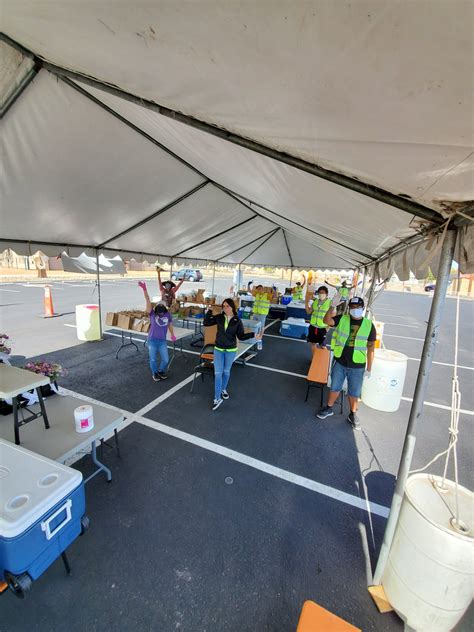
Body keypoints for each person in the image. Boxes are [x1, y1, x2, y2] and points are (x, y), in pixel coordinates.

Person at [316, 296, 376, 430]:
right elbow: (326, 320)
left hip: (358, 365)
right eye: (353, 308)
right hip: (340, 361)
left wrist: (370, 368)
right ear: (349, 309)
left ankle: (353, 414)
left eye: (358, 307)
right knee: (335, 386)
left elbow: (371, 347)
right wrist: (332, 306)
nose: (355, 310)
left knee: (354, 391)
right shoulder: (342, 319)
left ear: (362, 308)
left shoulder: (369, 325)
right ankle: (329, 408)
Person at [204, 298, 262, 410]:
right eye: (224, 306)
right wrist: (209, 311)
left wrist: (253, 335)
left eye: (227, 306)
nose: (225, 308)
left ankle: (223, 389)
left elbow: (241, 336)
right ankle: (217, 398)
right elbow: (206, 322)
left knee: (226, 372)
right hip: (218, 350)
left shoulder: (237, 320)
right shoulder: (219, 317)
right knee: (217, 374)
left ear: (232, 307)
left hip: (230, 350)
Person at [139, 281, 176, 381]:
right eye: (158, 311)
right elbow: (147, 299)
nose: (160, 314)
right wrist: (144, 289)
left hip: (162, 341)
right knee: (153, 359)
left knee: (166, 359)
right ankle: (154, 373)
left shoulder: (167, 314)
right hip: (152, 340)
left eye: (162, 312)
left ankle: (160, 371)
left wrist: (172, 335)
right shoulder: (152, 314)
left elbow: (170, 325)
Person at [306, 285, 331, 351]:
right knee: (313, 344)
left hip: (323, 328)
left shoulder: (330, 303)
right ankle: (314, 359)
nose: (321, 294)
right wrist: (306, 302)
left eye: (323, 293)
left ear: (327, 294)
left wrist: (328, 326)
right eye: (320, 293)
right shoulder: (315, 302)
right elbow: (308, 312)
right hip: (313, 326)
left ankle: (324, 360)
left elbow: (332, 316)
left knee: (322, 345)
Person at [252, 284, 271, 349]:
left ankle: (260, 340)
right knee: (254, 325)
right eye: (258, 289)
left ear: (263, 289)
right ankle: (254, 338)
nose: (259, 290)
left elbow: (275, 296)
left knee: (261, 327)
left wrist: (274, 290)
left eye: (260, 288)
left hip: (262, 314)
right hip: (255, 312)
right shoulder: (257, 294)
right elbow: (250, 291)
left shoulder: (267, 295)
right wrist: (249, 285)